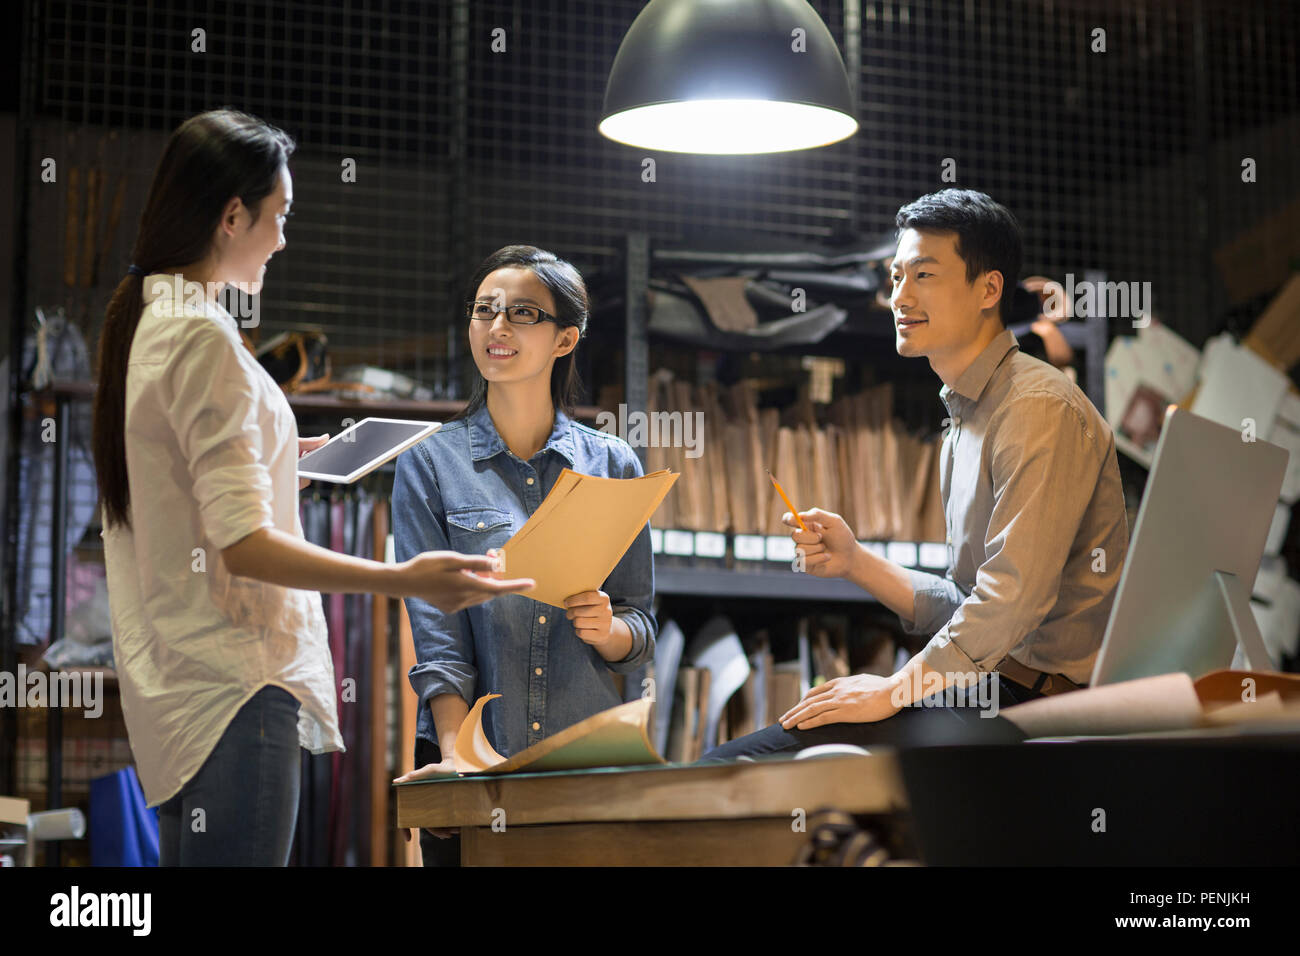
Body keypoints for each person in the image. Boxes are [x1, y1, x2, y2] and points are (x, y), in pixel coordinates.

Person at [93, 109, 533, 866]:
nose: (285, 239)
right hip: (235, 688)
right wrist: (401, 579)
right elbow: (244, 546)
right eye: (280, 216)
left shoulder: (155, 318)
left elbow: (174, 474)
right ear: (233, 216)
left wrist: (276, 453)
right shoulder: (200, 337)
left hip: (183, 690)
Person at [701, 188, 1130, 760]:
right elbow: (967, 599)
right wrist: (856, 562)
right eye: (896, 277)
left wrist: (895, 691)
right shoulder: (967, 409)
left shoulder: (1036, 408)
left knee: (734, 767)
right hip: (986, 686)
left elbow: (1010, 601)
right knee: (762, 754)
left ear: (989, 289)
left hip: (1033, 706)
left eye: (923, 275)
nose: (900, 296)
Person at [391, 245, 657, 865]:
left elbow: (641, 627)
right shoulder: (430, 463)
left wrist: (609, 628)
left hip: (583, 765)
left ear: (565, 340)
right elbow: (438, 639)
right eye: (485, 311)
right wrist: (459, 759)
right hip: (475, 758)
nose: (497, 327)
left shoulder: (614, 464)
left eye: (521, 314)